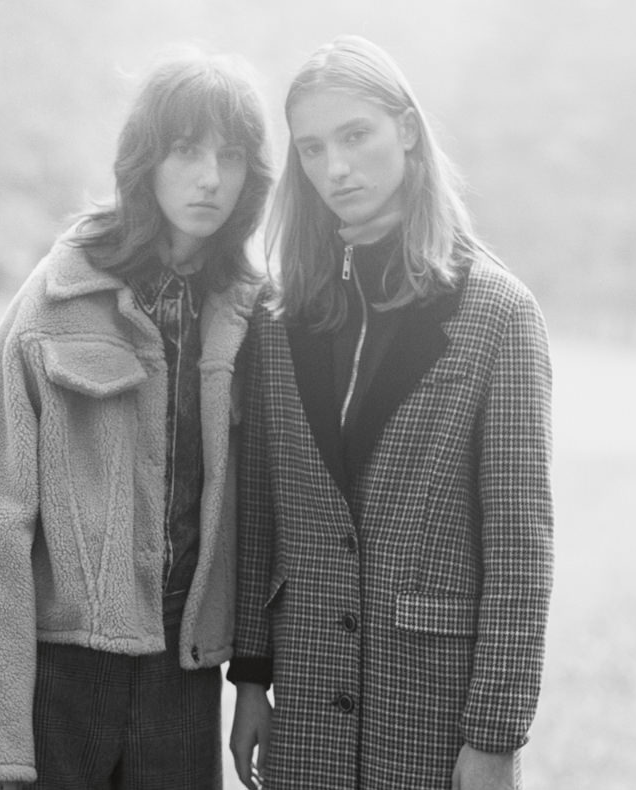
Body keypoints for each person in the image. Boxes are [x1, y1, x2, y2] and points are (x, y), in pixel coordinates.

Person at [226, 35, 554, 790]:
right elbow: (261, 509)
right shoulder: (279, 318)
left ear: (406, 129)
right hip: (303, 711)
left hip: (433, 715)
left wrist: (494, 736)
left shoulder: (499, 314)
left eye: (355, 136)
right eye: (312, 149)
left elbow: (520, 548)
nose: (335, 168)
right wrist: (250, 678)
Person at [0, 51, 271, 790]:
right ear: (145, 159)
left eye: (230, 156)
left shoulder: (253, 314)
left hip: (184, 672)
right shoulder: (57, 299)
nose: (210, 178)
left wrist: (254, 674)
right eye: (186, 150)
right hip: (60, 673)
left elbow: (266, 517)